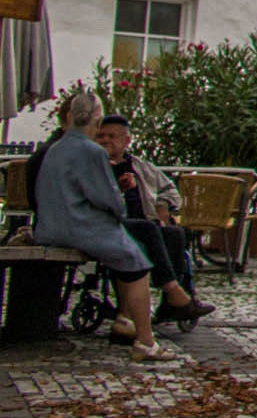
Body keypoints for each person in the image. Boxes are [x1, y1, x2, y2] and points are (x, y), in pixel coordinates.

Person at [32, 91, 177, 363]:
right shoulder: (91, 151)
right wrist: (119, 196)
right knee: (137, 262)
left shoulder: (56, 148)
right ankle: (145, 341)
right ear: (97, 120)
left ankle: (125, 321)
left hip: (49, 226)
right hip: (77, 227)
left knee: (127, 251)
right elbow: (110, 202)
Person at [97, 114, 213, 332]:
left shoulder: (141, 167)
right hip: (113, 225)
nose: (105, 141)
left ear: (126, 140)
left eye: (112, 136)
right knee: (149, 231)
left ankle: (171, 302)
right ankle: (172, 293)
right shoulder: (96, 166)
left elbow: (170, 189)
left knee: (175, 233)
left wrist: (163, 205)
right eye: (101, 136)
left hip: (146, 223)